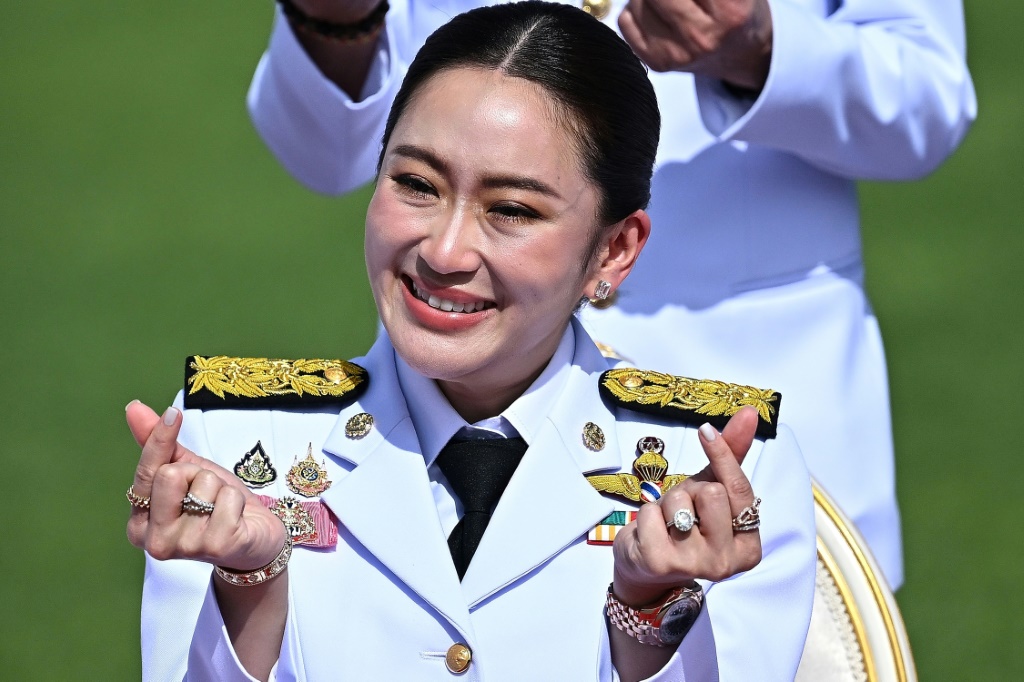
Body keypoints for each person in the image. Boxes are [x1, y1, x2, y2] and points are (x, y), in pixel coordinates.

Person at [125, 4, 816, 680]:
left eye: (511, 209)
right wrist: (249, 585)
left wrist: (648, 608)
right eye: (416, 184)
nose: (445, 251)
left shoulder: (724, 469)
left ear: (614, 251)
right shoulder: (232, 440)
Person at [246, 0, 977, 590]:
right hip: (456, 398)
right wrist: (337, 20)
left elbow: (929, 96)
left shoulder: (765, 465)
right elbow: (329, 153)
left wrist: (762, 49)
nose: (445, 249)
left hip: (743, 408)